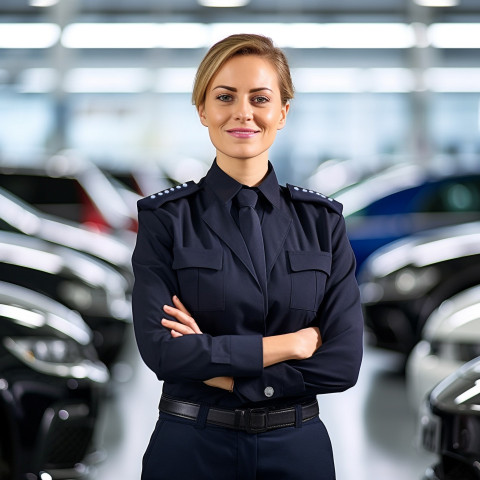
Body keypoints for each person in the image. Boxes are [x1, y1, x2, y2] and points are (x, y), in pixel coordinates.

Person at [132, 33, 363, 480]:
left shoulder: (323, 222)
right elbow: (162, 352)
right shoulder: (165, 219)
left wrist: (228, 374)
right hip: (191, 448)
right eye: (224, 97)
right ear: (202, 109)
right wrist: (288, 346)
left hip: (296, 451)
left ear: (282, 113)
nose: (243, 113)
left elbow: (342, 362)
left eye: (260, 98)